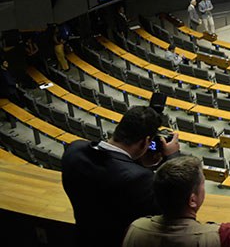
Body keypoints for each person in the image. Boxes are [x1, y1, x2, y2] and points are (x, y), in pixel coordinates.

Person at [62, 106, 181, 247]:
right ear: (145, 142)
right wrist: (172, 157)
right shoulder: (140, 180)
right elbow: (174, 206)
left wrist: (139, 160)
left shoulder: (74, 151)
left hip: (83, 239)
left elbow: (112, 165)